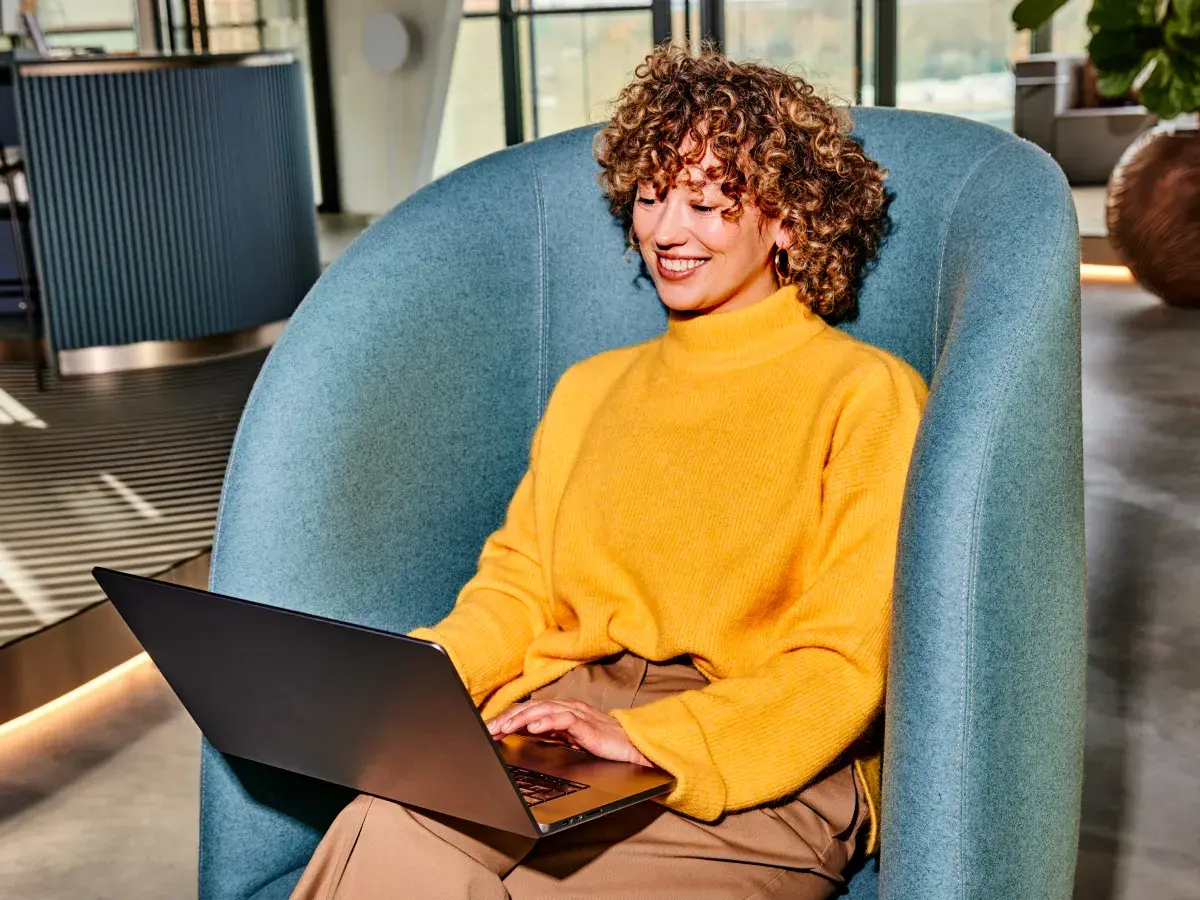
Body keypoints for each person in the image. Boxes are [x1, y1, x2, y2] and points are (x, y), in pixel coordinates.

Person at [293, 44, 927, 900]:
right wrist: (414, 675)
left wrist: (652, 741)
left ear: (789, 219)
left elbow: (842, 662)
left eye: (706, 202)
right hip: (558, 719)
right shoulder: (589, 391)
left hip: (763, 751)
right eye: (652, 195)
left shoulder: (868, 396)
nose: (668, 231)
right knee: (384, 823)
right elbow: (518, 591)